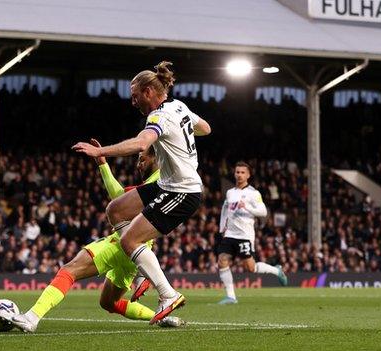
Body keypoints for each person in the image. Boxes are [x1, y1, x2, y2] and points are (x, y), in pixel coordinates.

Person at [72, 61, 211, 324]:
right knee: (116, 209)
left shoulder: (158, 116)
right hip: (167, 184)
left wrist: (99, 152)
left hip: (182, 191)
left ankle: (167, 294)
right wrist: (183, 139)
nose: (132, 101)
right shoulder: (178, 106)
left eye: (135, 96)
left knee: (129, 241)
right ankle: (141, 267)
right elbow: (205, 128)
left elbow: (140, 143)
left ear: (148, 91)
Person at [11, 140, 183, 333]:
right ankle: (159, 317)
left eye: (142, 159)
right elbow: (121, 199)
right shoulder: (158, 180)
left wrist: (103, 163)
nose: (138, 164)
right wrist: (102, 164)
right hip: (137, 252)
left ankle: (31, 318)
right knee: (108, 302)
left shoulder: (160, 178)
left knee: (70, 270)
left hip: (123, 243)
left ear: (155, 157)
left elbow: (118, 197)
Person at [217, 162, 288, 304]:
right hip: (230, 234)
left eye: (243, 172)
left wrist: (247, 207)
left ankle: (277, 271)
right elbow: (225, 209)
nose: (239, 175)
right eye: (237, 172)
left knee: (250, 267)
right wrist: (221, 228)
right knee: (222, 260)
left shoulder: (254, 193)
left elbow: (263, 212)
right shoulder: (230, 192)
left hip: (245, 235)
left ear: (248, 175)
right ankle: (231, 297)